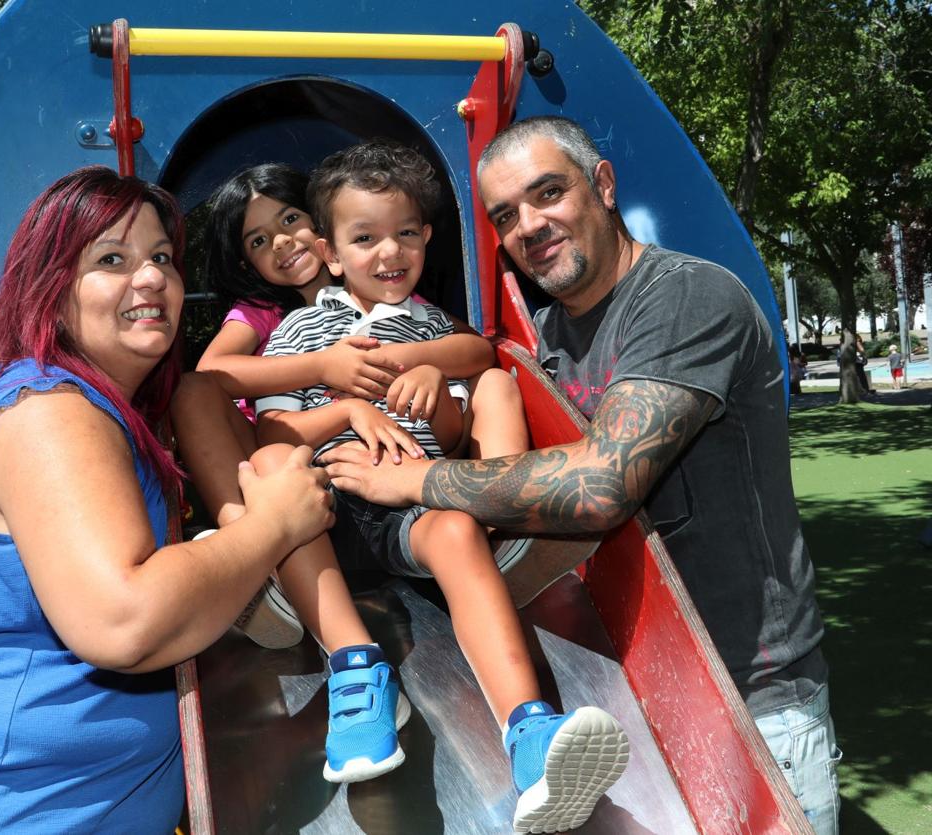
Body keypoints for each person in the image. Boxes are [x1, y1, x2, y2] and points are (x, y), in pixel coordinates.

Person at [321, 117, 840, 833]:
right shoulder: (546, 342)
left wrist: (412, 484)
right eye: (506, 215)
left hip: (749, 699)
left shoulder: (686, 298)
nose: (531, 224)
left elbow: (598, 486)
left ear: (601, 185)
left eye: (549, 193)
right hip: (623, 690)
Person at [0, 168, 334, 834]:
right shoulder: (50, 410)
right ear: (50, 290)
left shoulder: (100, 413)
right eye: (112, 259)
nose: (150, 278)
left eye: (161, 258)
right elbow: (125, 619)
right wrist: (274, 525)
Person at [251, 140, 628, 833]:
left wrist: (434, 390)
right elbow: (274, 434)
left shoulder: (430, 326)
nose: (388, 252)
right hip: (325, 508)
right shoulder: (302, 330)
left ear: (426, 237)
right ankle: (355, 676)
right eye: (364, 238)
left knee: (454, 527)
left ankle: (531, 735)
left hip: (412, 504)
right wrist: (335, 417)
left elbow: (454, 434)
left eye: (404, 233)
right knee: (278, 482)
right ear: (331, 253)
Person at [170, 163, 554, 648]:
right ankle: (254, 551)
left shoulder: (397, 296)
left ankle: (500, 514)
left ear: (324, 231)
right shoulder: (268, 315)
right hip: (289, 454)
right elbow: (214, 372)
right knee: (192, 395)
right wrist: (323, 368)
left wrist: (403, 359)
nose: (283, 243)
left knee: (494, 381)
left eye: (290, 221)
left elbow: (475, 348)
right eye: (259, 241)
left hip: (410, 447)